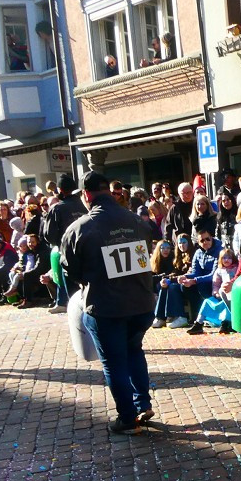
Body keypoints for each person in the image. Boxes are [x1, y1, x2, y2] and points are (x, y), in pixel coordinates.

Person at [60, 171, 157, 434]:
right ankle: (141, 403)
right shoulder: (137, 221)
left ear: (86, 195)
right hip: (140, 303)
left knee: (114, 362)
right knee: (134, 351)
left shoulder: (81, 227)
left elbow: (69, 269)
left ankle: (127, 418)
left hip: (107, 306)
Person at [40, 174, 87, 314]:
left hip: (69, 255)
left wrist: (59, 244)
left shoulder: (57, 208)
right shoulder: (85, 205)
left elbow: (49, 235)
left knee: (73, 293)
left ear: (59, 190)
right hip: (88, 251)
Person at [187, 248, 238, 336]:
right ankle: (198, 323)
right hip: (220, 296)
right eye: (224, 258)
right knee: (207, 301)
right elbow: (215, 285)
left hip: (233, 297)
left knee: (227, 303)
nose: (226, 260)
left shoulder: (236, 269)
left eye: (229, 258)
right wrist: (216, 293)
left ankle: (225, 324)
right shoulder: (219, 271)